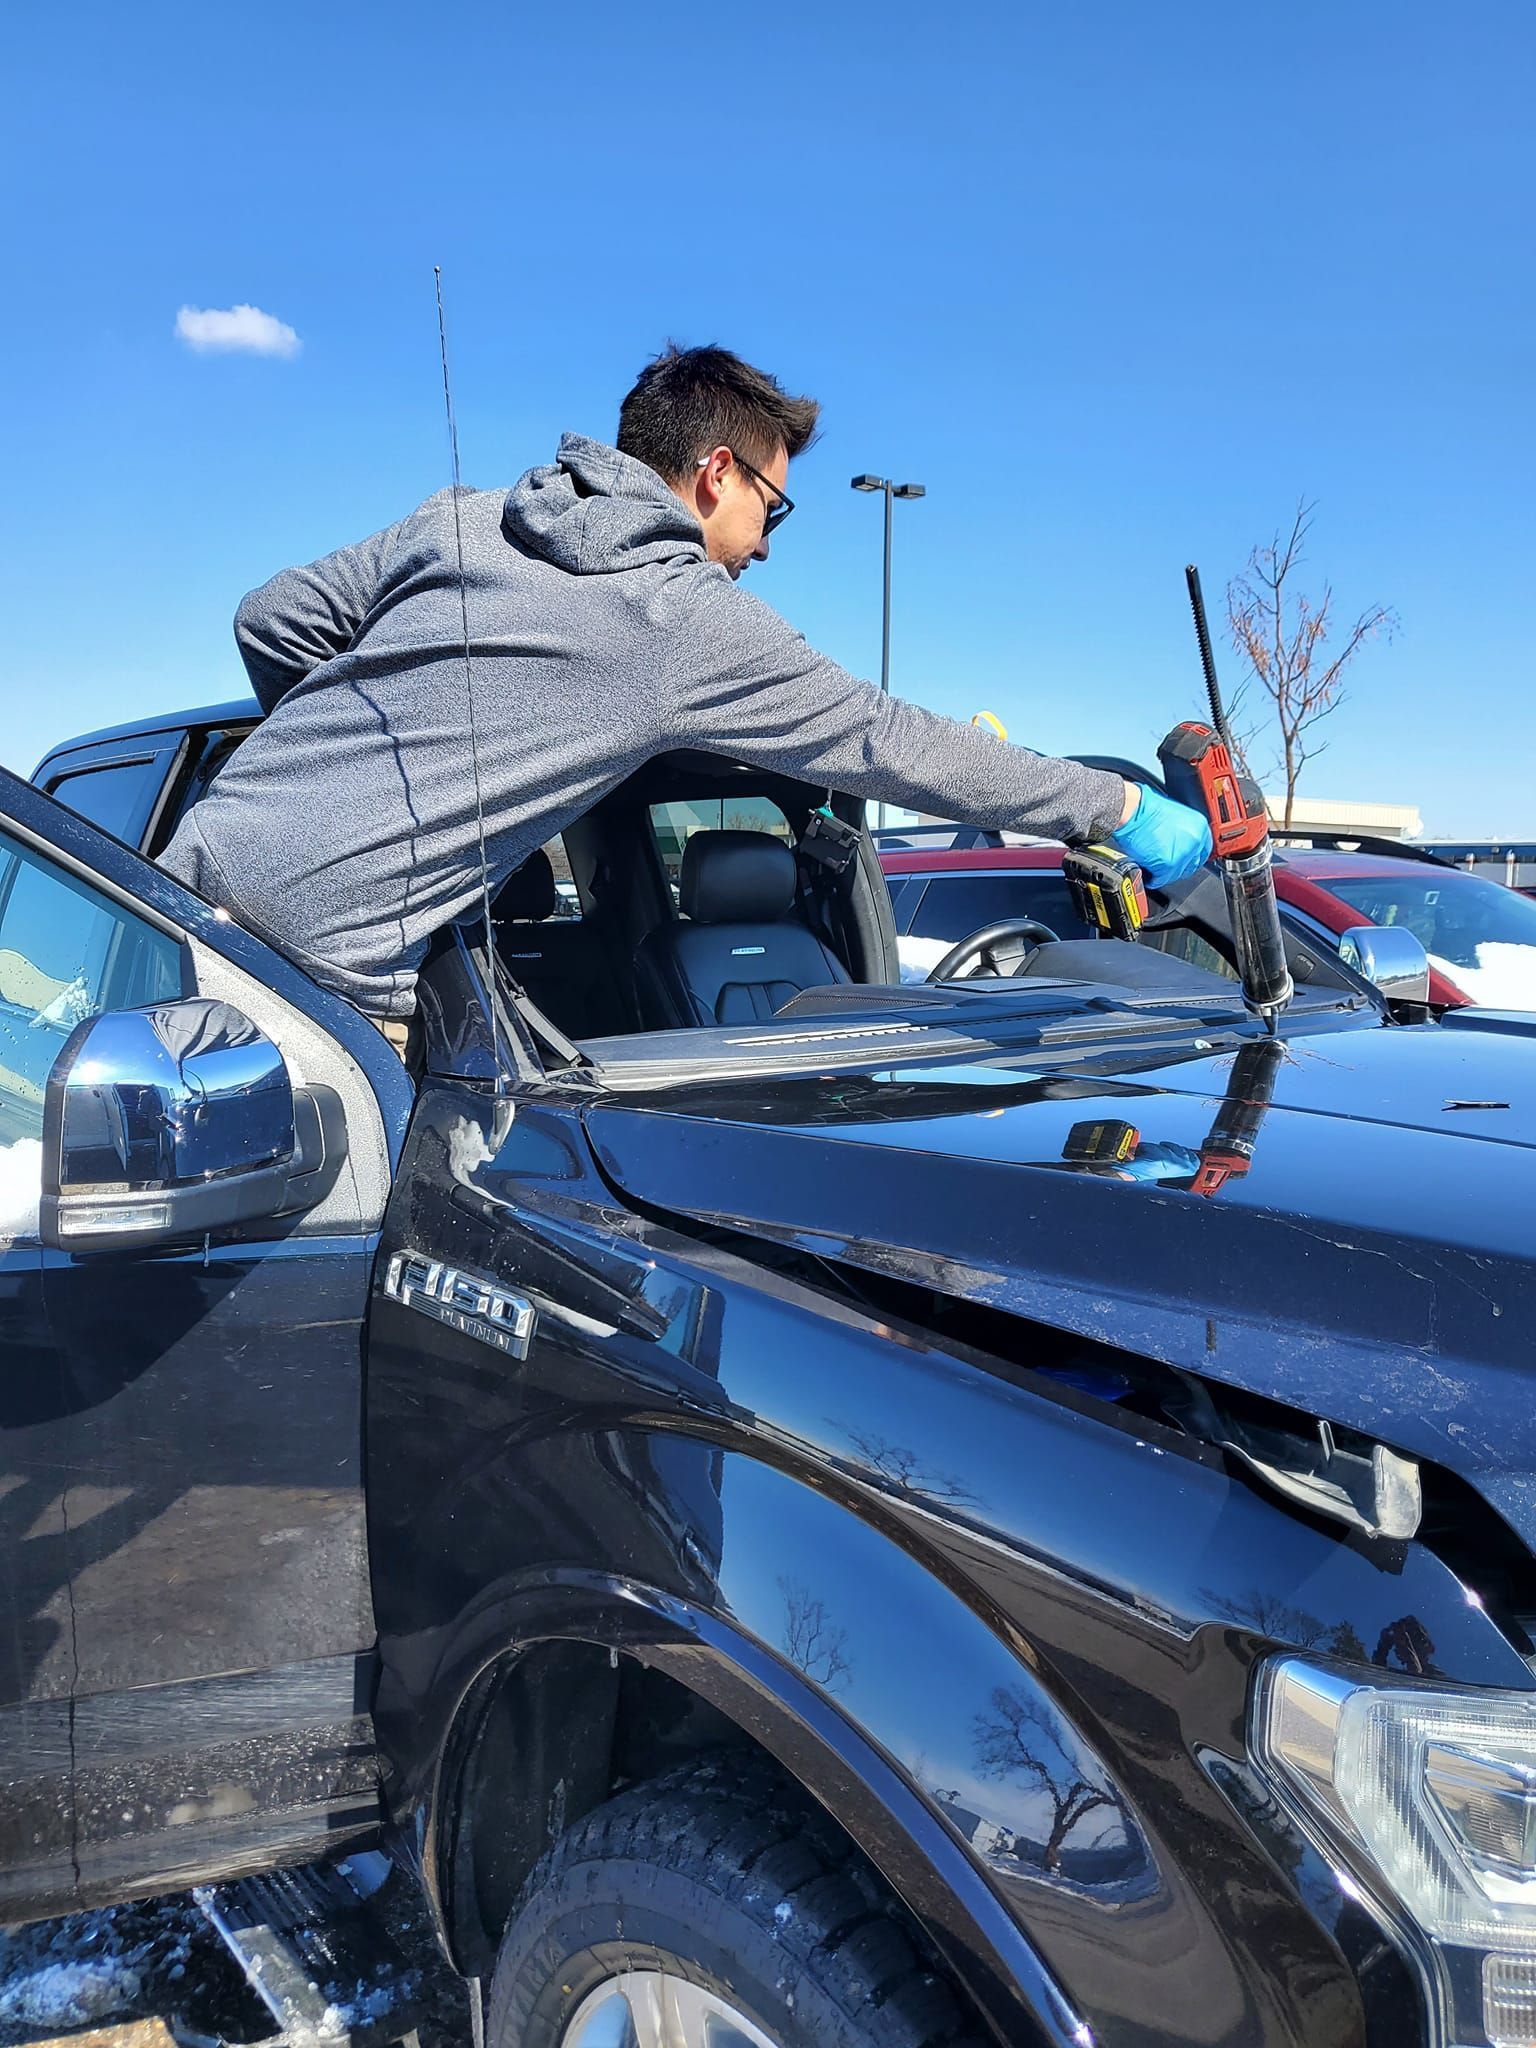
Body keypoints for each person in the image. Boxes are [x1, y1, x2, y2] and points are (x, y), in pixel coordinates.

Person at [159, 346, 1211, 1037]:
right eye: (774, 511)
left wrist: (356, 761)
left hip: (158, 899)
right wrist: (1114, 804)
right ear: (717, 473)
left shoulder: (464, 518)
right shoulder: (680, 618)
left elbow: (272, 620)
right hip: (307, 997)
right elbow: (891, 741)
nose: (763, 547)